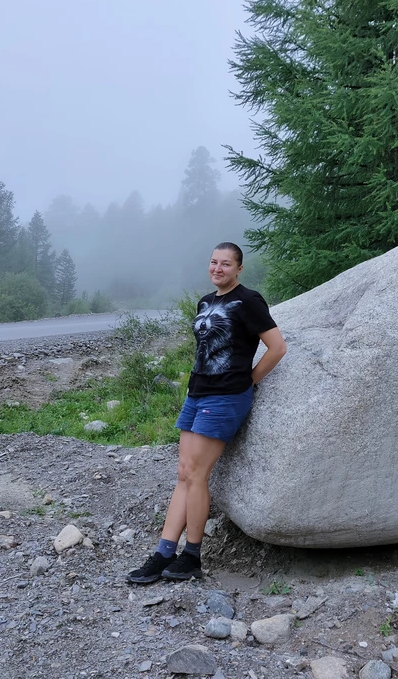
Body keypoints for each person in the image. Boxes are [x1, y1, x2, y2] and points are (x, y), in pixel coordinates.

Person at [127, 242, 286, 583]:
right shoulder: (206, 302)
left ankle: (192, 556)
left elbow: (277, 347)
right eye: (214, 262)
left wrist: (249, 381)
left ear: (239, 268)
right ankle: (163, 554)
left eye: (226, 264)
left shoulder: (249, 300)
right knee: (184, 472)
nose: (218, 268)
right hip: (197, 394)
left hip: (227, 396)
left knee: (197, 474)